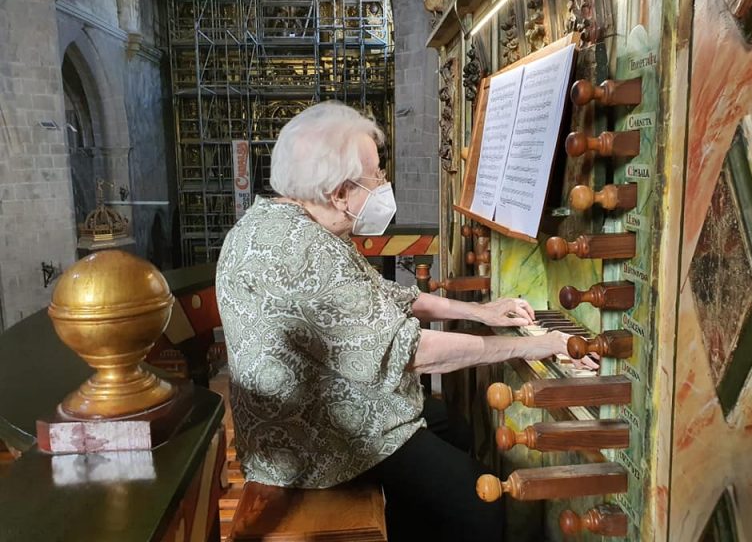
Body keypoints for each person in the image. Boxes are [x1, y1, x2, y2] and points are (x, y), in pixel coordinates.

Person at [216, 101, 585, 542]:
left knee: (456, 427)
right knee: (482, 505)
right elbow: (410, 352)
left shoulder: (297, 224)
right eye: (375, 176)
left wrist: (479, 312)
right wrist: (532, 346)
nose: (383, 184)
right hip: (314, 440)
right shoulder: (301, 250)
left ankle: (412, 526)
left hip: (329, 408)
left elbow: (390, 296)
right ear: (338, 192)